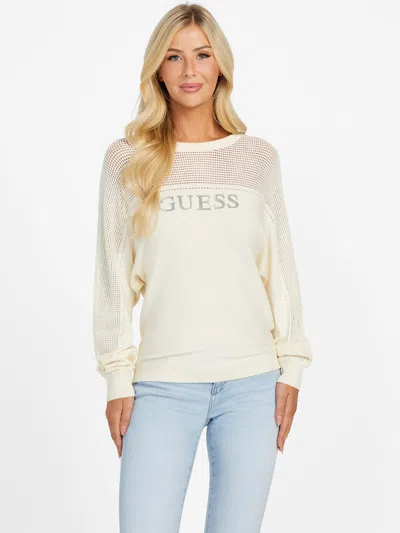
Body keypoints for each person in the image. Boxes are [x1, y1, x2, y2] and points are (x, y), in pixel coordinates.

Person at [92, 3, 313, 532]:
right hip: (162, 386)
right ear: (158, 70)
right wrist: (117, 378)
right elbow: (112, 280)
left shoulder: (257, 159)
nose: (189, 70)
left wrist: (292, 365)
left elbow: (280, 272)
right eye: (174, 57)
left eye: (202, 55)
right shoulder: (128, 159)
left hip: (253, 385)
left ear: (221, 66)